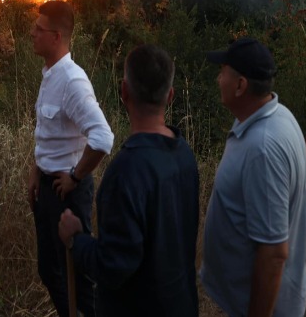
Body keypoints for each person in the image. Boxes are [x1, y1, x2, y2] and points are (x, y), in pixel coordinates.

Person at [58, 44, 200, 316]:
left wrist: (76, 239)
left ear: (124, 92)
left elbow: (113, 266)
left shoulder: (126, 171)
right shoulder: (184, 154)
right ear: (170, 96)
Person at [200, 37, 306, 317]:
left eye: (222, 71)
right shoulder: (274, 116)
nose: (217, 79)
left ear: (240, 85)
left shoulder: (263, 148)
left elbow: (274, 254)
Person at [27, 0, 114, 317]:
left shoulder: (73, 82)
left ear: (57, 37)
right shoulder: (50, 74)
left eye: (39, 29)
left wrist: (76, 177)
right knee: (49, 272)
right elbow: (48, 131)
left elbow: (103, 137)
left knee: (77, 279)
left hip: (68, 193)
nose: (32, 33)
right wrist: (36, 172)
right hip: (49, 188)